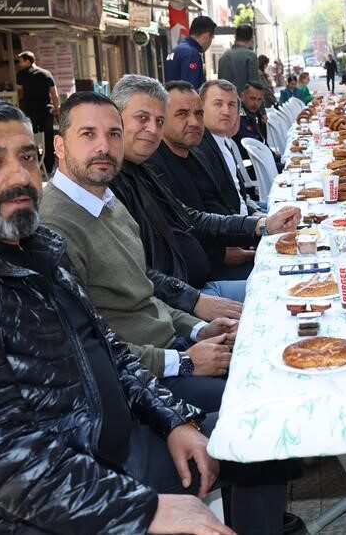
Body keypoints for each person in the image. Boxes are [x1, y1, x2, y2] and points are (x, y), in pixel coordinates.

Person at [0, 96, 287, 534]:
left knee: (264, 432)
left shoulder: (29, 243)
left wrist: (173, 420)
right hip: (58, 502)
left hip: (114, 448)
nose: (18, 176)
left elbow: (106, 347)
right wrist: (142, 510)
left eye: (26, 157)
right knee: (260, 436)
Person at [40, 91, 236, 411]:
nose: (104, 146)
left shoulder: (109, 200)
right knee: (260, 401)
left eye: (113, 134)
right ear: (59, 146)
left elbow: (142, 293)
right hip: (143, 381)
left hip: (174, 346)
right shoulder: (54, 227)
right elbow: (90, 348)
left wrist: (200, 328)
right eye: (88, 134)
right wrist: (183, 362)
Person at [106, 75, 300, 311]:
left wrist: (261, 225)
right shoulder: (112, 181)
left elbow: (191, 217)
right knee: (288, 291)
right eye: (142, 118)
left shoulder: (142, 168)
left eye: (158, 120)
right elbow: (135, 273)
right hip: (187, 298)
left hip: (193, 289)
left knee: (298, 280)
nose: (152, 129)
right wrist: (195, 304)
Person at [145, 81, 258, 280]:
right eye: (182, 114)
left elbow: (221, 205)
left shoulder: (197, 154)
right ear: (161, 120)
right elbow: (187, 225)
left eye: (198, 114)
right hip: (202, 278)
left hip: (232, 245)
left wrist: (256, 229)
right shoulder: (153, 167)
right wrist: (224, 253)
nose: (195, 122)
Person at [199, 80, 267, 216]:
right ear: (201, 108)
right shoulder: (200, 149)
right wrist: (258, 222)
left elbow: (238, 198)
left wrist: (255, 214)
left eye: (231, 105)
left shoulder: (223, 141)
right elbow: (218, 211)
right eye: (218, 104)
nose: (226, 111)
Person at [15, 50, 58, 174]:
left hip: (29, 111)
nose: (20, 64)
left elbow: (19, 92)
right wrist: (56, 109)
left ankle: (35, 164)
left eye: (21, 61)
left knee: (31, 138)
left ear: (28, 61)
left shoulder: (22, 74)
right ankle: (48, 166)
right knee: (48, 139)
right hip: (46, 110)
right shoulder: (46, 74)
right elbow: (54, 94)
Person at [164, 15, 217, 89]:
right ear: (207, 36)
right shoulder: (192, 54)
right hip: (184, 99)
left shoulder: (176, 50)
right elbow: (190, 88)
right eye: (212, 37)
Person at [218, 24, 259, 94]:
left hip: (227, 101)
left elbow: (220, 83)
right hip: (245, 102)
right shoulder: (251, 56)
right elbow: (254, 85)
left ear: (235, 37)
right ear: (252, 38)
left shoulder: (224, 56)